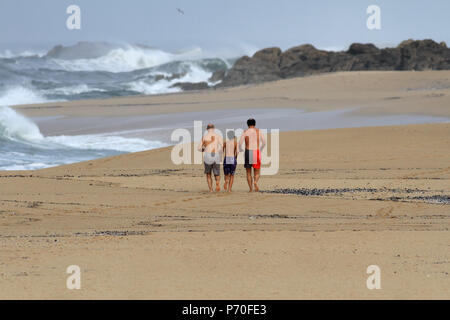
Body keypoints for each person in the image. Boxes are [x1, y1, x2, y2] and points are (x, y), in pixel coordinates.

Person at [239, 118, 266, 192]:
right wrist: (260, 149)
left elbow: (240, 143)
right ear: (255, 124)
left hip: (248, 151)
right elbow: (264, 142)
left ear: (247, 124)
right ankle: (255, 182)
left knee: (248, 172)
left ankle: (250, 189)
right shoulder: (258, 131)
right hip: (255, 151)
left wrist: (240, 149)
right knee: (257, 171)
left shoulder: (245, 131)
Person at [198, 123, 223, 192]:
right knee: (217, 172)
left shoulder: (204, 137)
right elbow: (222, 145)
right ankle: (217, 183)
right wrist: (219, 153)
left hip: (207, 155)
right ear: (214, 128)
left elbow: (199, 148)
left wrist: (204, 149)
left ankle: (211, 190)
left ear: (207, 129)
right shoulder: (217, 136)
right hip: (216, 154)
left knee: (208, 174)